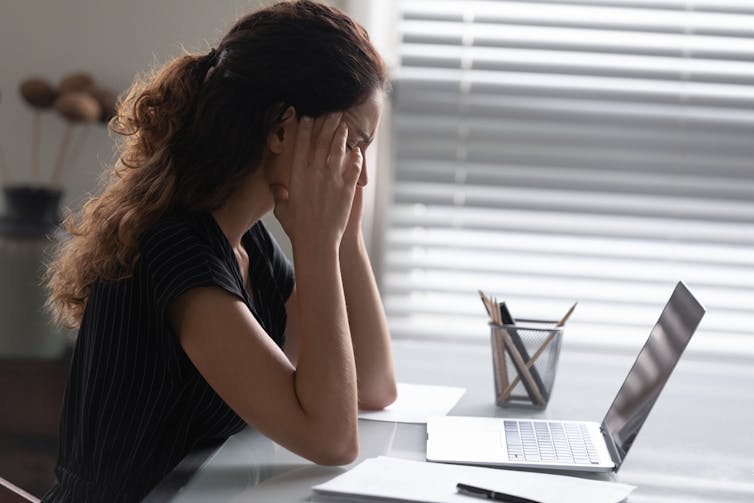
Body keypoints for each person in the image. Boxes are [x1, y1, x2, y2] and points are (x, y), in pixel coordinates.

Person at [42, 1, 396, 500]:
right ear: (280, 129)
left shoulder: (246, 240)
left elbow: (374, 386)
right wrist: (317, 244)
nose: (359, 172)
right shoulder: (177, 251)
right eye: (352, 143)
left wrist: (346, 236)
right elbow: (331, 439)